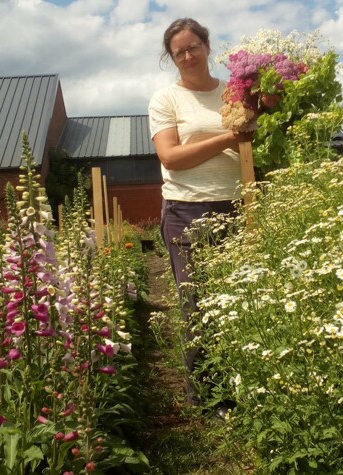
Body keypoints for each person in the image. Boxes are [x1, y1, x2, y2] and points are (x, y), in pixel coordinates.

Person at [148, 17, 253, 406]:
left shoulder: (234, 94)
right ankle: (206, 397)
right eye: (180, 52)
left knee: (242, 299)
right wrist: (228, 136)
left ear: (208, 47)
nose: (188, 55)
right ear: (172, 59)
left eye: (194, 46)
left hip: (241, 206)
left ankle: (245, 384)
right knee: (198, 305)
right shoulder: (166, 100)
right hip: (187, 211)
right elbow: (171, 157)